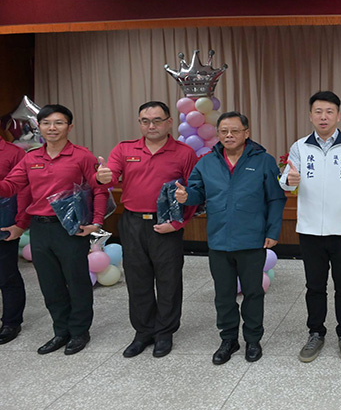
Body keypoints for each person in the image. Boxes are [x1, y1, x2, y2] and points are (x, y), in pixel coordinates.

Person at [175, 111, 286, 365]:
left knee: (253, 293)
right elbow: (197, 193)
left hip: (252, 239)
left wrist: (272, 232)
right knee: (223, 294)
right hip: (219, 240)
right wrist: (186, 197)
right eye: (224, 131)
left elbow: (275, 198)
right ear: (218, 133)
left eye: (235, 131)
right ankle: (228, 339)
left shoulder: (263, 161)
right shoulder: (207, 162)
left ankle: (253, 339)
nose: (229, 135)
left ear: (246, 133)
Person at [0, 104, 109, 355]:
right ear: (39, 126)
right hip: (39, 228)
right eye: (47, 123)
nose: (52, 128)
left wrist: (97, 221)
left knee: (77, 281)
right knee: (50, 284)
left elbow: (100, 189)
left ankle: (79, 332)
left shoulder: (82, 156)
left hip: (70, 229)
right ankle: (61, 331)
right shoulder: (31, 158)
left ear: (70, 127)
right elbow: (11, 186)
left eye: (59, 123)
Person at [95, 101, 198, 358]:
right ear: (139, 123)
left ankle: (164, 332)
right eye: (145, 121)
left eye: (157, 120)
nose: (151, 126)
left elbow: (194, 193)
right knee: (137, 278)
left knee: (168, 280)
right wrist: (102, 177)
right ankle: (143, 332)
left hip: (167, 223)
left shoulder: (185, 153)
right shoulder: (125, 148)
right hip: (132, 222)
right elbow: (111, 176)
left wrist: (178, 224)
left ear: (169, 122)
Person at [279, 91, 341, 363]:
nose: (323, 117)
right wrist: (290, 180)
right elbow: (286, 181)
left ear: (338, 115)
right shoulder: (299, 147)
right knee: (314, 286)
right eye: (318, 111)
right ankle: (316, 333)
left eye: (329, 111)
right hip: (310, 232)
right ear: (310, 115)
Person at [0, 138, 30, 345]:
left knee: (6, 274)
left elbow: (25, 190)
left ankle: (11, 322)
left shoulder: (13, 153)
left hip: (4, 223)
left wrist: (20, 223)